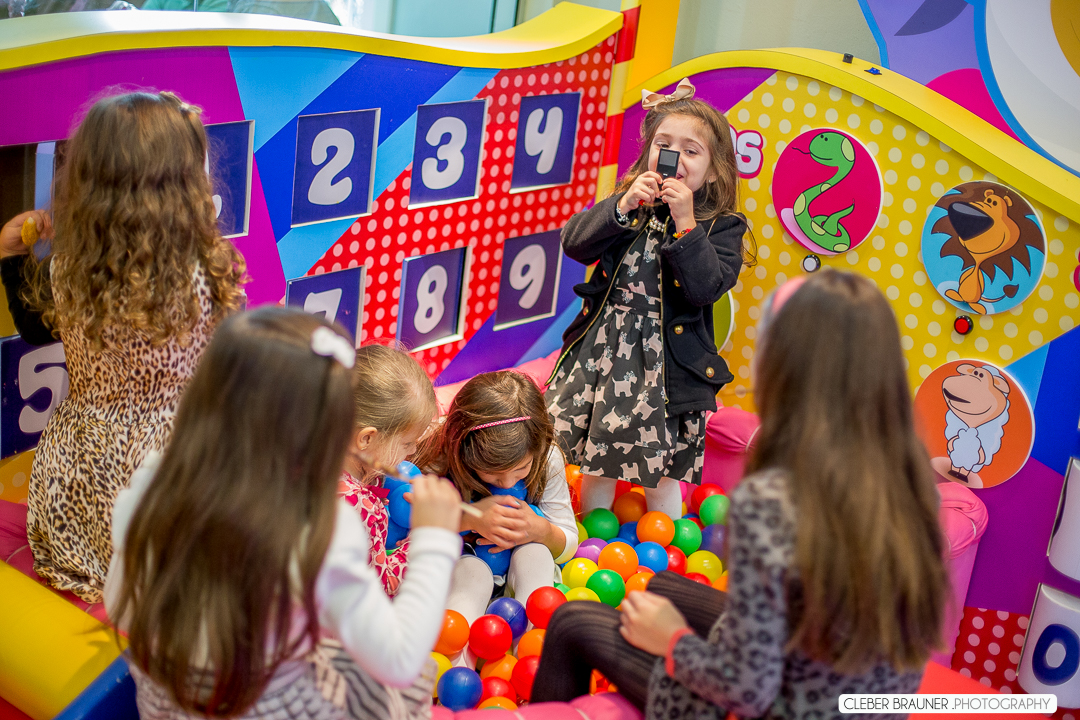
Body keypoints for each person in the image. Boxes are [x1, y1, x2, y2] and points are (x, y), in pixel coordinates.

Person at [532, 270, 948, 719]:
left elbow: (745, 691)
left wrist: (673, 640)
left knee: (572, 621)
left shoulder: (772, 501)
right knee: (658, 585)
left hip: (783, 707)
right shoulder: (907, 475)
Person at [104, 307, 464, 719]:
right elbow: (400, 660)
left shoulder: (156, 478)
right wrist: (434, 541)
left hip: (165, 702)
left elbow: (119, 604)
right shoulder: (323, 524)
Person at [0, 91, 246, 603]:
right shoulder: (207, 272)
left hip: (83, 473)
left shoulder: (72, 271)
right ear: (184, 184)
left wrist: (10, 255)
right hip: (173, 467)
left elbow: (35, 331)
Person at [545, 78, 746, 519]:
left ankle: (666, 536)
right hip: (604, 352)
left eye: (691, 150)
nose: (675, 157)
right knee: (596, 460)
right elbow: (575, 244)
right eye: (664, 144)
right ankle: (588, 534)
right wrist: (619, 209)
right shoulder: (629, 205)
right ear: (649, 152)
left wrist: (686, 222)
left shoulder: (722, 226)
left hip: (663, 367)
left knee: (661, 472)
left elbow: (704, 288)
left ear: (713, 170)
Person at [417, 370, 577, 624]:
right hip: (460, 567)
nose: (508, 483)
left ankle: (531, 645)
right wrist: (469, 520)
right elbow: (411, 529)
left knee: (536, 554)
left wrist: (541, 530)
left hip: (521, 562)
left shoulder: (547, 457)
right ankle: (457, 654)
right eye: (492, 473)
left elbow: (569, 542)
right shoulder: (439, 453)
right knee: (473, 574)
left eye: (520, 469)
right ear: (463, 451)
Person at [339, 343, 438, 596]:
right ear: (366, 439)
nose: (413, 451)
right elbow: (381, 588)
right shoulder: (361, 506)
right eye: (407, 443)